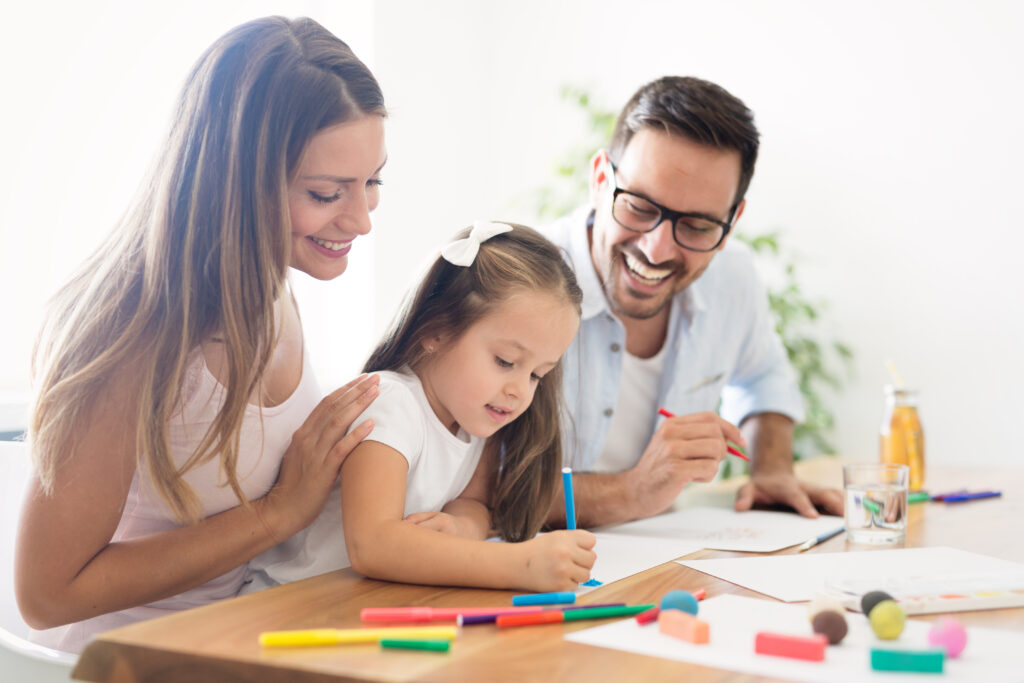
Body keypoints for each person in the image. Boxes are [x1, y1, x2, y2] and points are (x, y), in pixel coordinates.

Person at [15, 16, 387, 653]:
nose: (361, 219)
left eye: (373, 181)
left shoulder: (271, 284)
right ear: (239, 183)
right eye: (327, 193)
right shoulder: (131, 333)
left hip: (229, 648)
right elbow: (47, 596)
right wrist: (276, 514)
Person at [543, 76, 844, 528]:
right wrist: (635, 492)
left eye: (699, 226)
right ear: (600, 180)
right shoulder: (521, 282)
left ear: (732, 221)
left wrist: (773, 469)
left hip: (663, 564)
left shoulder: (733, 281)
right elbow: (481, 488)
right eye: (640, 206)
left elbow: (766, 377)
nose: (657, 249)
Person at [247, 222, 596, 592]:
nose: (520, 391)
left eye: (538, 375)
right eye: (506, 361)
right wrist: (522, 564)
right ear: (435, 331)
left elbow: (473, 502)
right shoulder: (390, 404)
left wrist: (462, 527)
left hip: (363, 605)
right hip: (287, 606)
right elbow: (373, 544)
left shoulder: (474, 415)